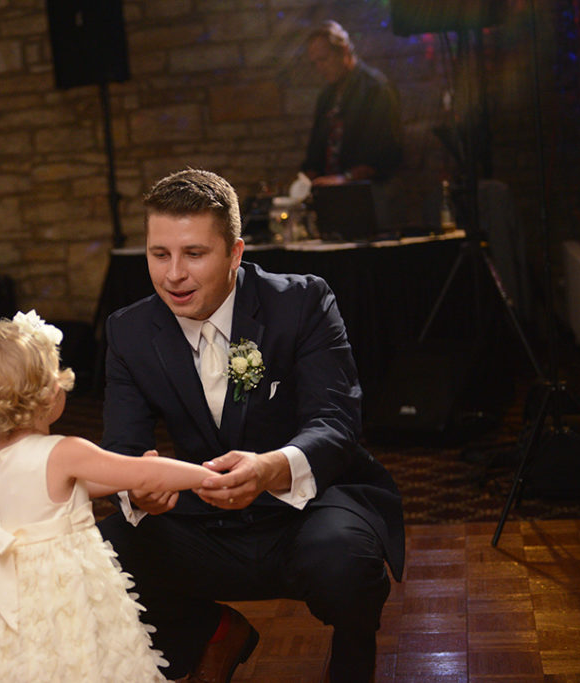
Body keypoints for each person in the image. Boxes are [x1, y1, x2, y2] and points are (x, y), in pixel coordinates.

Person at [99, 169, 405, 683]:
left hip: (306, 507)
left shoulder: (302, 301)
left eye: (194, 254)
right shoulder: (129, 330)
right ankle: (213, 633)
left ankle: (354, 662)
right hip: (203, 517)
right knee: (95, 562)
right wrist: (138, 489)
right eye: (159, 254)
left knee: (347, 560)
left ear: (235, 253)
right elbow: (123, 447)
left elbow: (336, 422)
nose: (173, 274)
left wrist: (268, 468)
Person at [0, 311, 217, 682]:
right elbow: (144, 475)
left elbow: (68, 493)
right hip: (63, 587)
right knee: (83, 655)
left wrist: (129, 469)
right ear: (49, 394)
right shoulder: (65, 451)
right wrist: (208, 476)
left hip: (13, 590)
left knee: (34, 663)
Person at [301, 21, 402, 186]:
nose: (320, 68)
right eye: (315, 63)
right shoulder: (327, 96)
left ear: (344, 51)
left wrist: (346, 178)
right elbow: (316, 149)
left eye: (324, 59)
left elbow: (387, 152)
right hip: (331, 194)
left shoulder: (375, 89)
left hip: (368, 194)